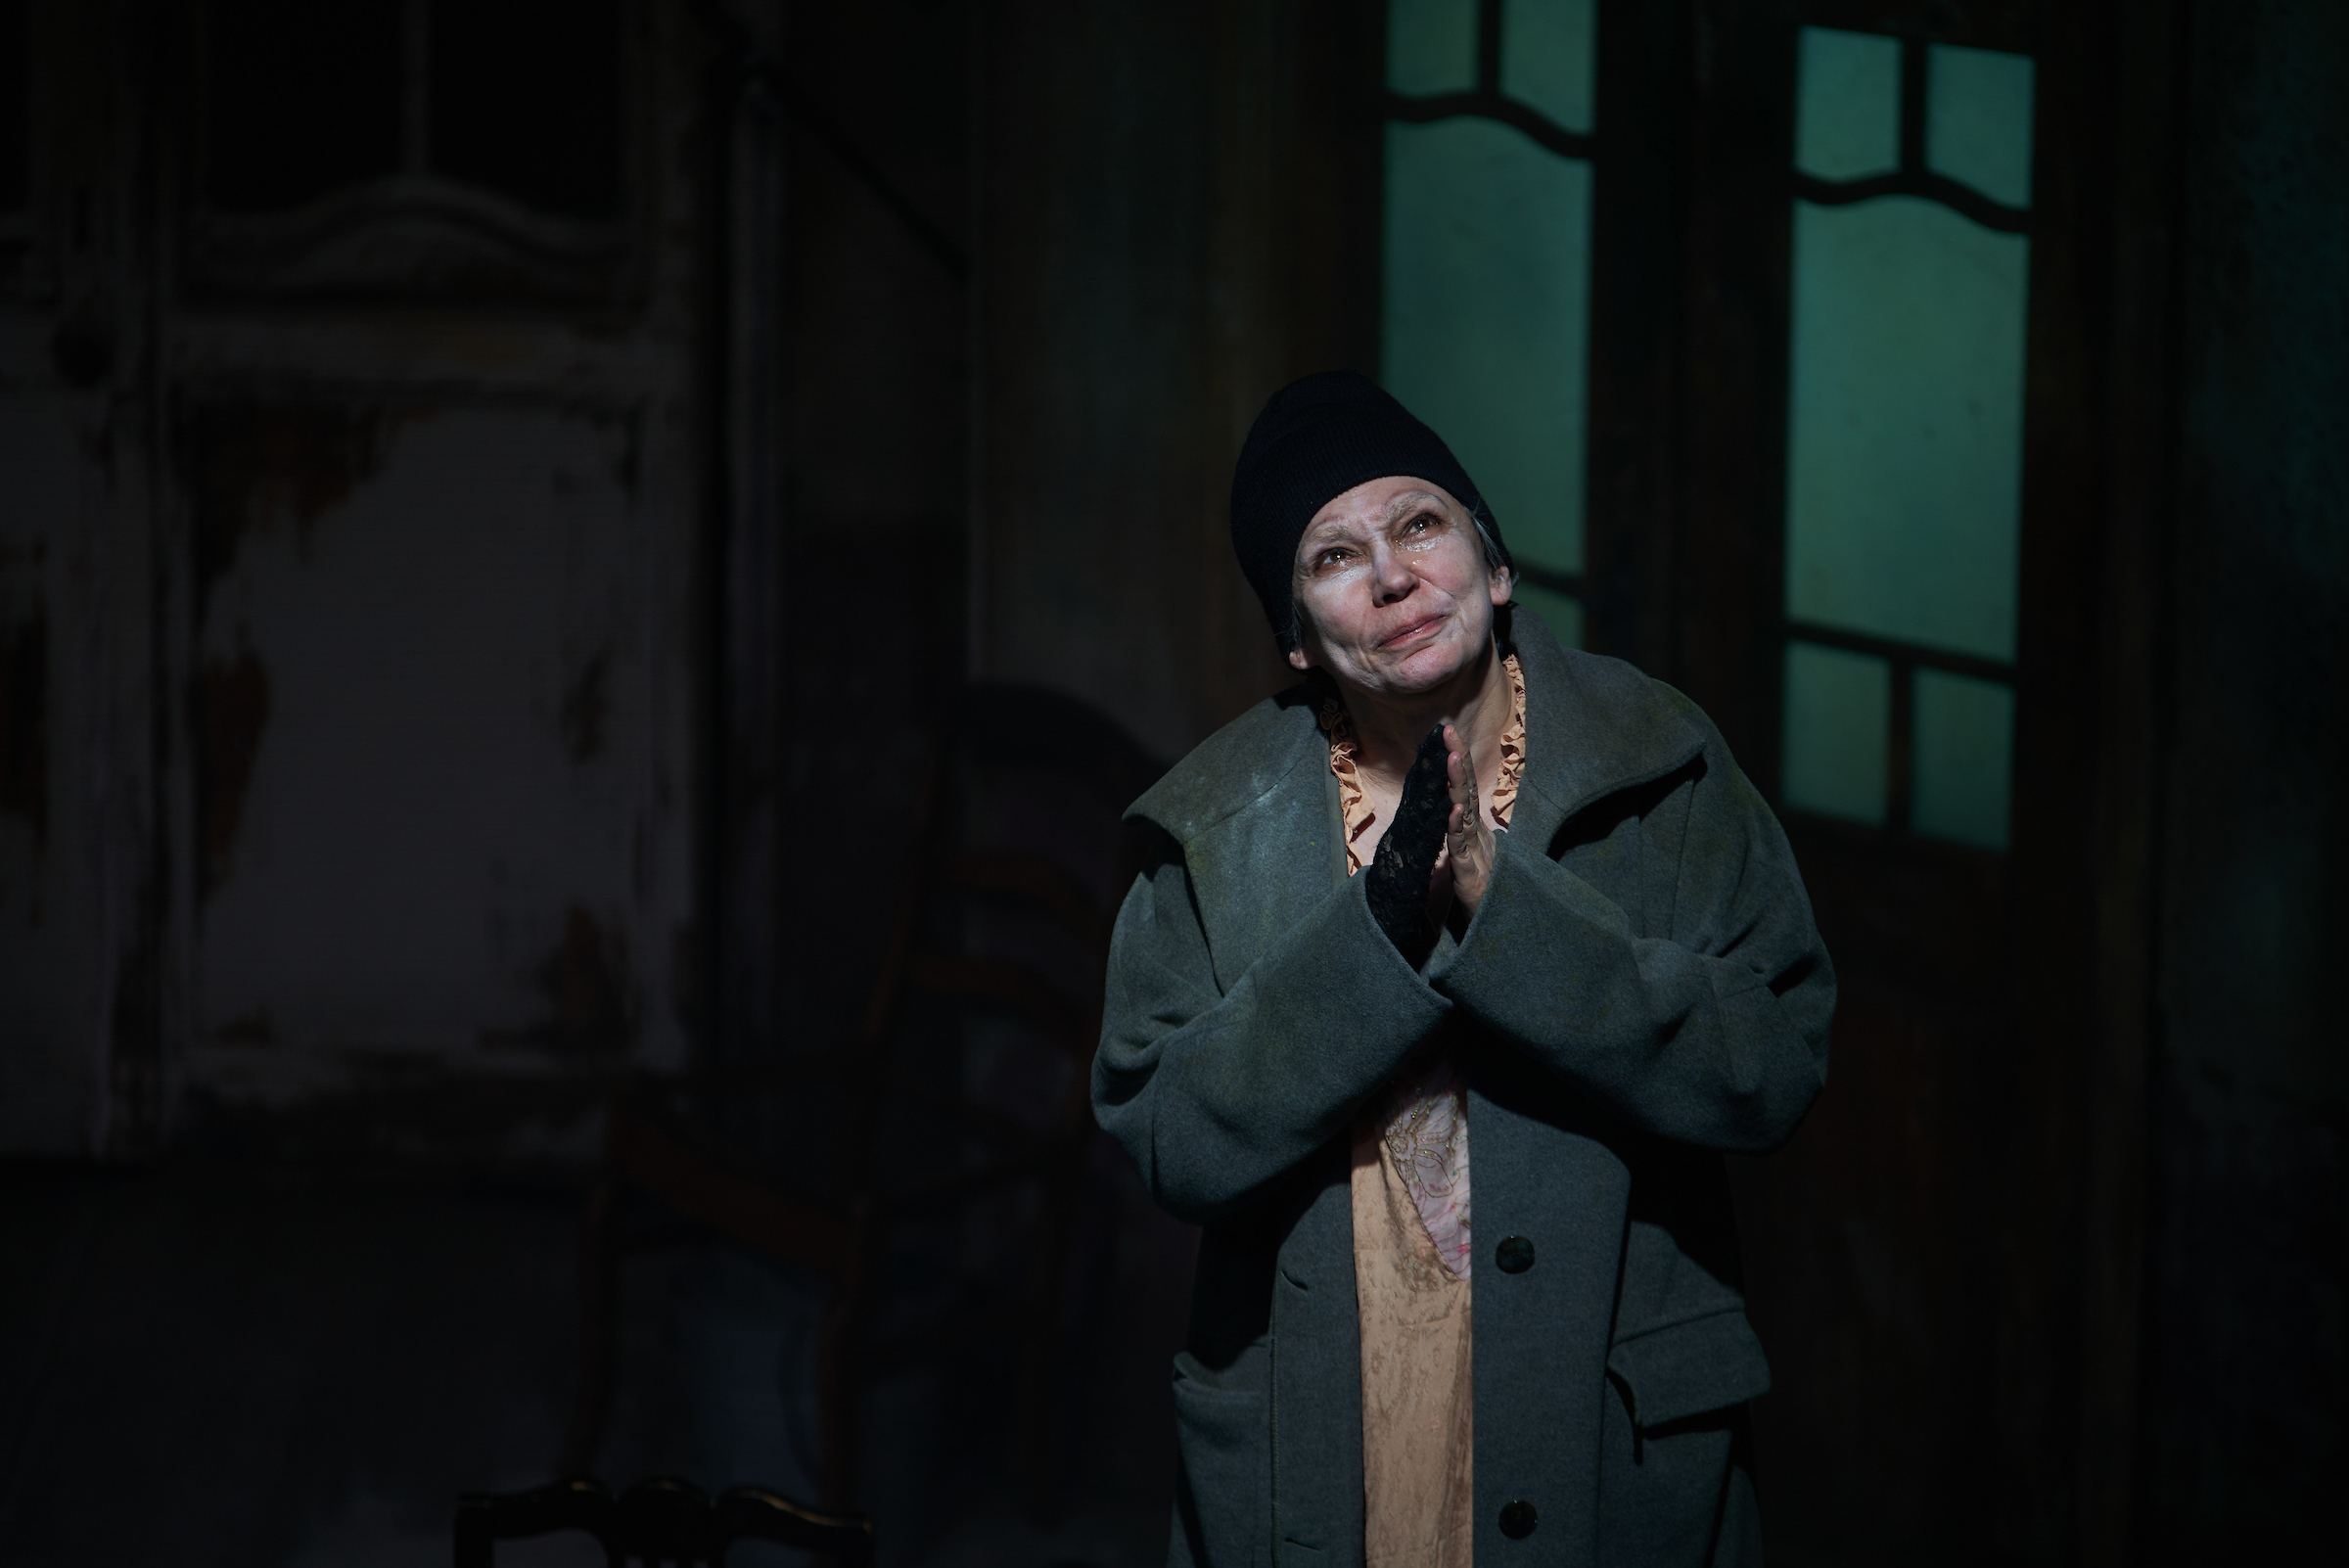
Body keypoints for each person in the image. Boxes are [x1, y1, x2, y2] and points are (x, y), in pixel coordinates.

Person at [1092, 371, 1834, 1567]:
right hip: (1333, 1427)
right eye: (1335, 557)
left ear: (1493, 568)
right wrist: (1372, 932)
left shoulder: (1658, 764)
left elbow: (1777, 1065)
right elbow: (1170, 1139)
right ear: (1299, 637)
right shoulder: (1215, 826)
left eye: (1420, 524)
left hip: (1603, 1424)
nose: (1391, 576)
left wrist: (1514, 915)